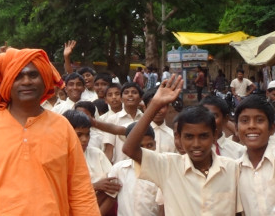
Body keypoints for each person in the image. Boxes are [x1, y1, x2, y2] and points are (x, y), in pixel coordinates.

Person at [0, 48, 100, 216]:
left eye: (33, 75)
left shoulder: (63, 127)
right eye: (18, 76)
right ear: (7, 82)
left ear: (44, 80)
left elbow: (80, 187)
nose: (26, 81)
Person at [122, 75, 242, 215]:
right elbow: (129, 149)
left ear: (214, 135)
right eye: (189, 137)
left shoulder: (232, 168)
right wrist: (155, 104)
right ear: (178, 137)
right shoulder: (168, 166)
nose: (196, 144)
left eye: (203, 136)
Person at [63, 109, 119, 214]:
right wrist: (94, 186)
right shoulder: (58, 158)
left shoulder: (97, 154)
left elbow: (112, 190)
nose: (85, 139)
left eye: (87, 134)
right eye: (79, 135)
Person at [102, 123, 160, 216]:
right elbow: (110, 198)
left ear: (155, 144)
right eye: (140, 146)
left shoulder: (161, 171)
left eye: (150, 145)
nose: (145, 151)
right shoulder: (119, 169)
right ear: (130, 146)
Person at [235, 95, 275, 215]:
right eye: (245, 120)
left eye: (259, 120)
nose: (251, 126)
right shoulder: (234, 170)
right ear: (236, 129)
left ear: (272, 129)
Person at [103, 82, 144, 163]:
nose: (130, 95)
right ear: (121, 99)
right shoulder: (112, 120)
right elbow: (109, 148)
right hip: (120, 167)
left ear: (140, 98)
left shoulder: (145, 119)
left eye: (134, 92)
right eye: (126, 93)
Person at [142, 87, 175, 153]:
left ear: (167, 107)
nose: (158, 110)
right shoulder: (138, 133)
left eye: (162, 106)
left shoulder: (173, 135)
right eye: (153, 106)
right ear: (145, 108)